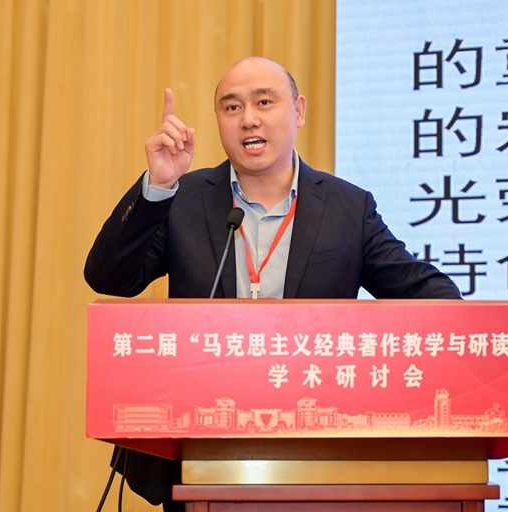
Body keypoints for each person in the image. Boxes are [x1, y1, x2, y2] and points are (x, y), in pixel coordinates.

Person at [84, 57, 461, 511]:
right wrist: (158, 188)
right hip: (198, 456)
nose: (249, 119)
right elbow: (109, 277)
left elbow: (431, 298)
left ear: (298, 111)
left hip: (317, 457)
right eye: (232, 107)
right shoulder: (183, 198)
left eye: (264, 102)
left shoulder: (347, 208)